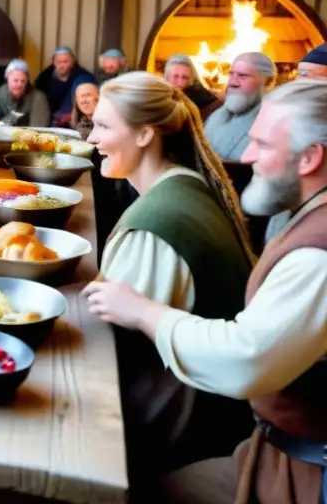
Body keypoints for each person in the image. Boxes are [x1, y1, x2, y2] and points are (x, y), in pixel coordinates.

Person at [84, 78, 327, 504]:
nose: (247, 157)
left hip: (305, 469)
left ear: (310, 158)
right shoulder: (309, 217)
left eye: (263, 146)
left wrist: (144, 312)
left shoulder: (320, 253)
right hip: (263, 446)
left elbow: (244, 359)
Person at [85, 72, 255, 485]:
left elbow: (112, 347)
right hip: (221, 415)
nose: (91, 138)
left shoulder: (155, 226)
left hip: (189, 430)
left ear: (145, 135)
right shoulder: (189, 185)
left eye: (104, 126)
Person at [205, 52, 276, 161]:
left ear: (267, 81)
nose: (233, 82)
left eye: (243, 76)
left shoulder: (276, 125)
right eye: (231, 74)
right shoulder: (215, 116)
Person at [34, 45, 96, 127]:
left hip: (73, 118)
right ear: (53, 62)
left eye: (66, 62)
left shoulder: (82, 76)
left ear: (73, 62)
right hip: (48, 118)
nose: (62, 65)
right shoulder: (44, 77)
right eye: (59, 62)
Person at [0, 59, 50, 127]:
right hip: (1, 135)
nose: (19, 85)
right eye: (15, 80)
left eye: (23, 81)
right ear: (8, 79)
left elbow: (39, 129)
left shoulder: (38, 97)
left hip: (26, 136)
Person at [164, 53, 222, 120]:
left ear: (190, 78)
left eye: (185, 77)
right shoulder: (161, 92)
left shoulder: (199, 95)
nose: (180, 83)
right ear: (167, 76)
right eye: (175, 76)